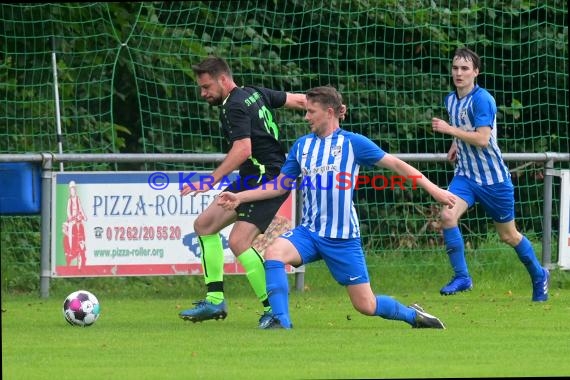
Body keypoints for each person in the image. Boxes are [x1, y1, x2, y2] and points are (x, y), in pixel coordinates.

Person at [217, 85, 456, 329]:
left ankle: (411, 315)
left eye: (311, 112)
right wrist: (241, 197)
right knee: (273, 252)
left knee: (366, 305)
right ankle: (281, 320)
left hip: (342, 238)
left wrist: (435, 190)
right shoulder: (302, 146)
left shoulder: (353, 143)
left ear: (329, 112)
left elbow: (396, 165)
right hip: (309, 233)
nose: (306, 116)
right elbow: (280, 185)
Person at [178, 56, 309, 326]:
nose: (203, 94)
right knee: (204, 225)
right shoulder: (253, 93)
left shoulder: (233, 106)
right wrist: (331, 107)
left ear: (223, 80)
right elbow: (298, 100)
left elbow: (243, 150)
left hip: (267, 178)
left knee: (239, 242)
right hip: (254, 175)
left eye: (206, 87)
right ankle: (214, 302)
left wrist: (210, 180)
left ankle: (274, 310)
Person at [431, 47, 549, 301]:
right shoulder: (451, 100)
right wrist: (455, 144)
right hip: (466, 177)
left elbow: (483, 139)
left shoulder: (482, 99)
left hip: (494, 180)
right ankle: (462, 277)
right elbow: (466, 130)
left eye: (465, 68)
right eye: (455, 68)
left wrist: (449, 130)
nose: (459, 73)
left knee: (509, 235)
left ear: (476, 72)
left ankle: (539, 275)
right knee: (447, 215)